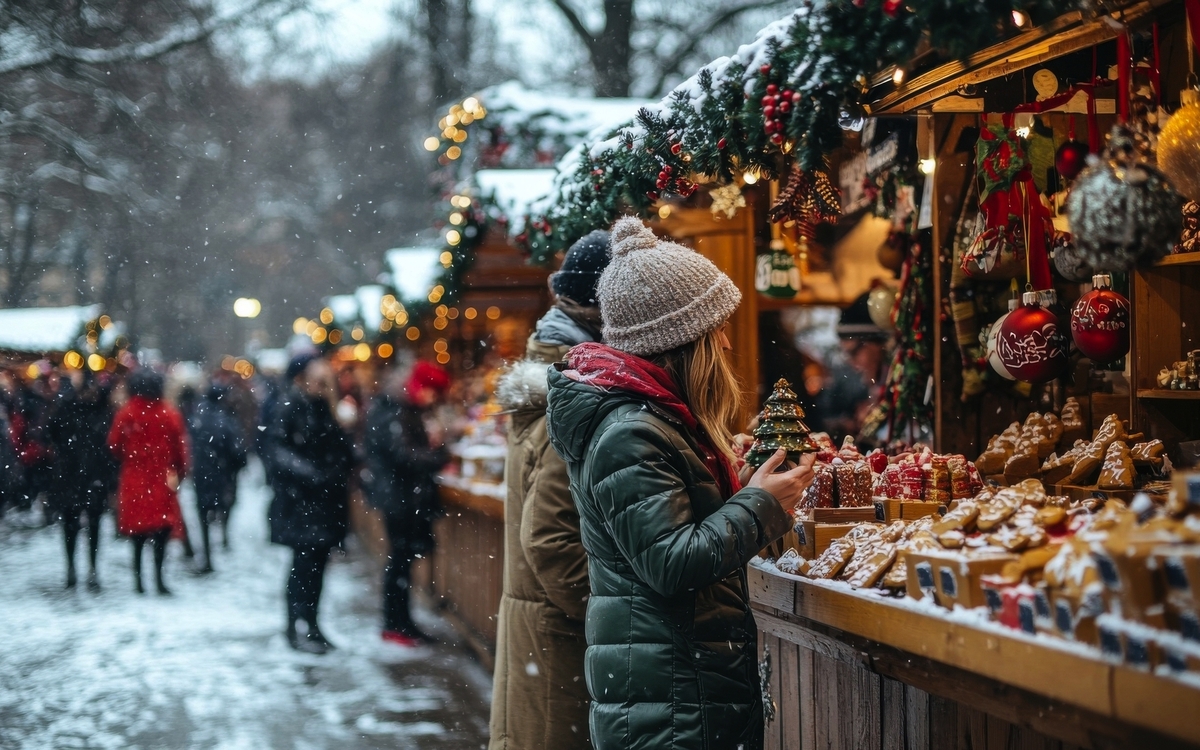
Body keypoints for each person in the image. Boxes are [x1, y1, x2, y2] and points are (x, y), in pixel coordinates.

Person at [546, 216, 815, 750]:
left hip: (674, 687)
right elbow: (670, 562)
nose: (726, 346)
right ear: (681, 343)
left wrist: (737, 487)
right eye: (715, 332)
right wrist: (762, 504)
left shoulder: (650, 421)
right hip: (669, 700)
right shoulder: (631, 431)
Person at [489, 229, 610, 750]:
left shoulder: (556, 378)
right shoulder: (570, 395)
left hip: (545, 634)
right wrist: (617, 613)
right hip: (559, 643)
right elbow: (553, 543)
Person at [262, 354, 352, 654]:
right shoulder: (290, 405)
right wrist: (313, 475)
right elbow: (276, 451)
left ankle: (312, 626)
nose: (322, 385)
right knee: (302, 567)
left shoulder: (325, 407)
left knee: (317, 568)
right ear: (302, 378)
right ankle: (294, 628)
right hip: (300, 503)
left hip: (324, 503)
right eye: (318, 379)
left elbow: (339, 449)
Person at [363, 361, 451, 647]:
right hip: (400, 498)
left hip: (403, 497)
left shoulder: (399, 410)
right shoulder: (396, 412)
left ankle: (401, 623)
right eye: (431, 391)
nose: (432, 399)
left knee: (402, 562)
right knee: (400, 562)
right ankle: (395, 624)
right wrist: (438, 456)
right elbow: (404, 456)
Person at [108, 370, 189, 595]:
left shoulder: (127, 414)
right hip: (161, 479)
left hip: (134, 479)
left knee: (137, 535)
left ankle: (138, 581)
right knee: (161, 532)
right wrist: (179, 473)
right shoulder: (169, 414)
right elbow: (179, 450)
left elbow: (114, 444)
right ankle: (159, 579)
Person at [47, 369, 115, 590]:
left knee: (72, 524)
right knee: (89, 524)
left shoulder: (69, 407)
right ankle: (87, 570)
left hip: (74, 474)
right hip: (88, 475)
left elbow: (51, 433)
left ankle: (74, 569)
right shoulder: (100, 410)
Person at [187, 384, 248, 572]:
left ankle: (206, 555)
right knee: (225, 506)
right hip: (224, 474)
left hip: (203, 473)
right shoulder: (227, 421)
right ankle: (222, 537)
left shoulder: (197, 418)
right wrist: (237, 466)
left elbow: (189, 444)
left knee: (203, 513)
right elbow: (237, 451)